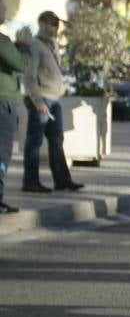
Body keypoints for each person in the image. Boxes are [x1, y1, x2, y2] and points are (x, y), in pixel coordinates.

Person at [18, 11, 82, 193]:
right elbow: (29, 76)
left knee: (56, 140)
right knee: (34, 141)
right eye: (52, 23)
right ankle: (30, 181)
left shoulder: (52, 45)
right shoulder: (35, 45)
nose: (56, 27)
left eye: (56, 24)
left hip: (54, 99)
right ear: (42, 24)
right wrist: (37, 99)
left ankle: (62, 180)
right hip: (42, 98)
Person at [0, 0, 24, 212]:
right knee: (2, 151)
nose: (5, 12)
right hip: (3, 102)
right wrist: (23, 46)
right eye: (3, 8)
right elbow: (20, 64)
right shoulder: (2, 41)